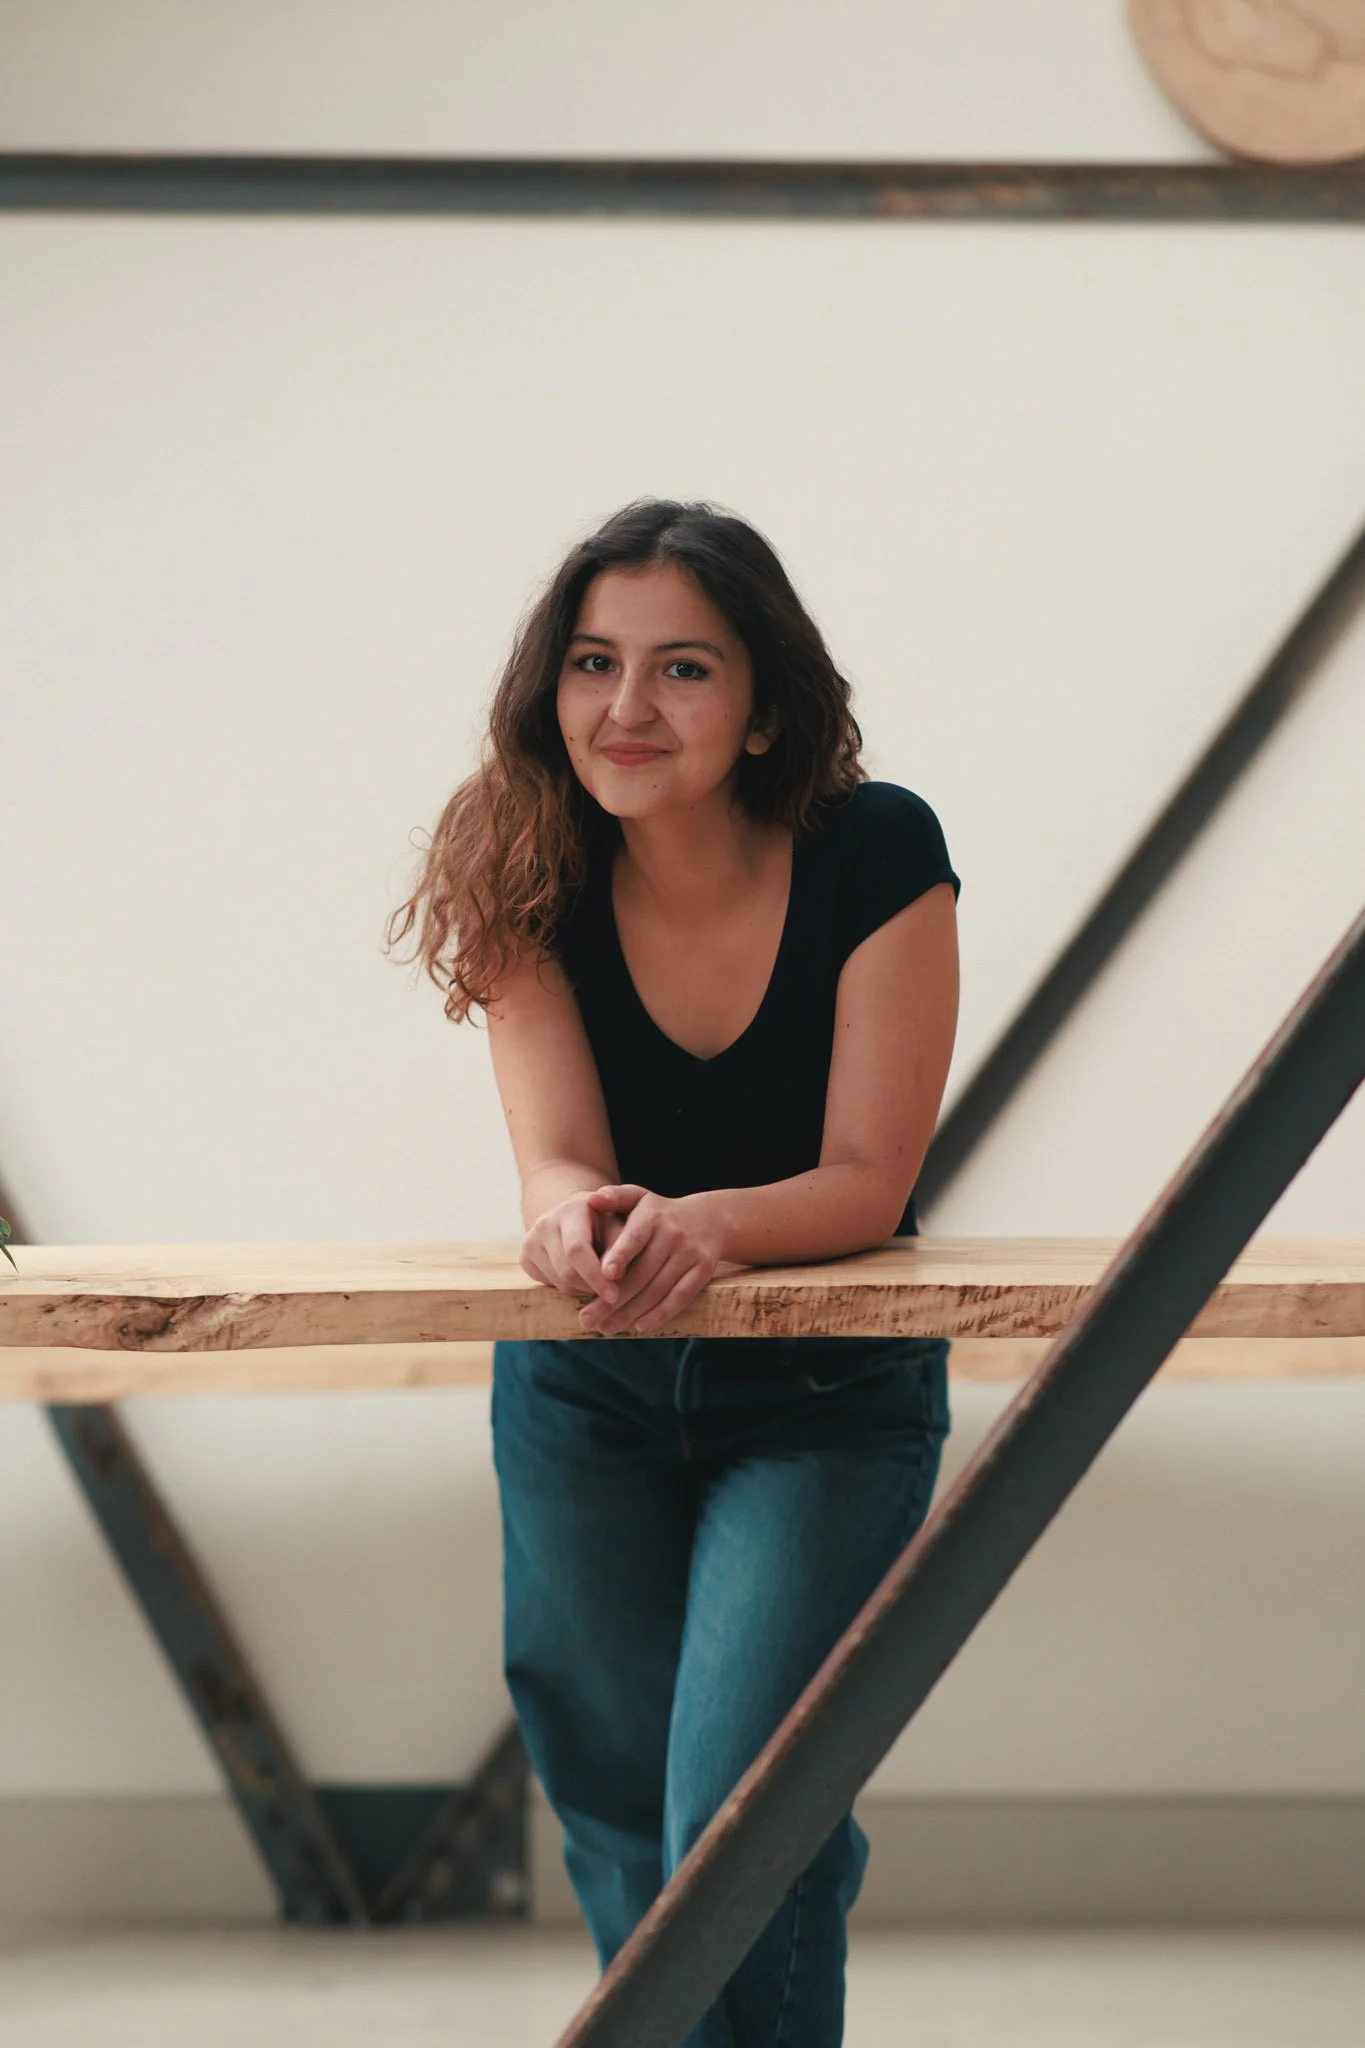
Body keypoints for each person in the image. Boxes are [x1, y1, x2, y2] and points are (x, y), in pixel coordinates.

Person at [388, 499, 960, 2047]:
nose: (625, 710)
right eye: (591, 662)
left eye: (683, 670)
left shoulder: (881, 851)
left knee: (748, 1823)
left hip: (827, 1398)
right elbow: (559, 1156)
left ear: (764, 702)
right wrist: (569, 1221)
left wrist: (705, 1222)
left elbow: (869, 1179)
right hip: (590, 1390)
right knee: (620, 1820)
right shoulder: (513, 852)